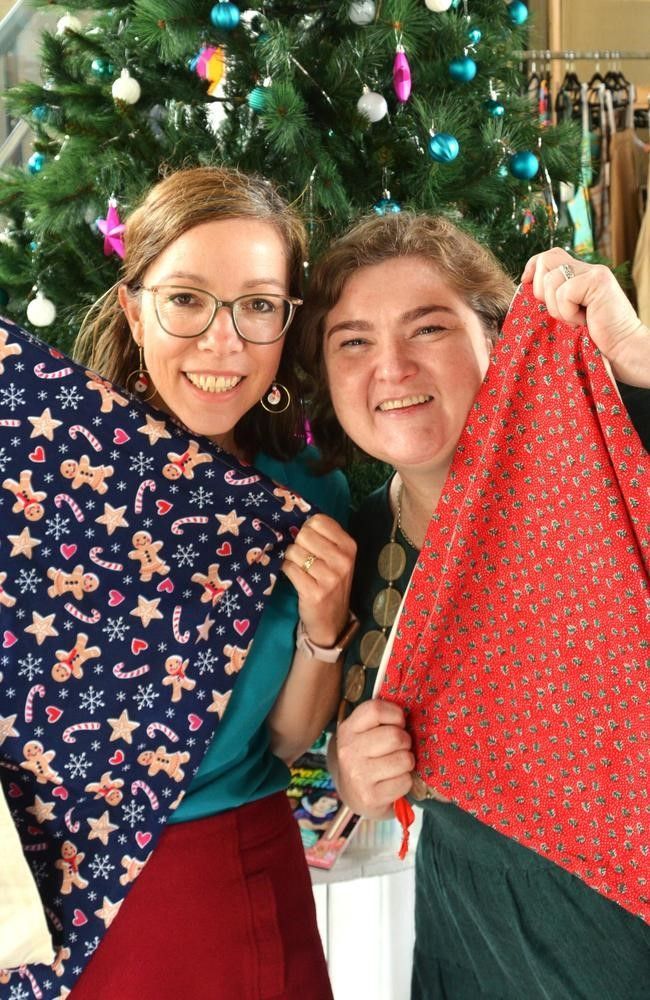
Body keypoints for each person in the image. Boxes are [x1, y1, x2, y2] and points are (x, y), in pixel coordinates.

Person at [298, 211, 650, 1000]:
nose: (390, 366)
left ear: (497, 336)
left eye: (428, 328)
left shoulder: (615, 457)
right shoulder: (352, 547)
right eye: (352, 340)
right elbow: (336, 745)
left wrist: (640, 361)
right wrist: (348, 773)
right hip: (471, 945)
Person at [65, 166, 358, 999]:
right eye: (187, 299)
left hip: (233, 880)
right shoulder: (47, 480)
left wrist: (323, 622)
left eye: (259, 305)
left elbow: (287, 742)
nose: (223, 342)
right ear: (133, 305)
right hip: (56, 892)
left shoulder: (308, 496)